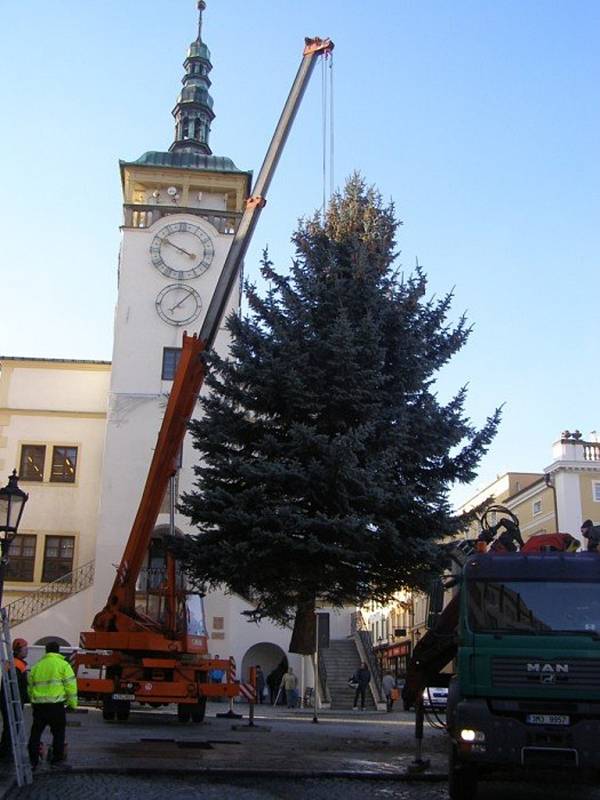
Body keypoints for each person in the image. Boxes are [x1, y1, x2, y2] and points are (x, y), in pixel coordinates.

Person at [28, 641, 78, 769]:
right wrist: (73, 704)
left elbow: (30, 687)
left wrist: (33, 701)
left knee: (36, 733)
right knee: (58, 733)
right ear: (58, 651)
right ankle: (57, 760)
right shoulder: (63, 665)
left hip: (39, 706)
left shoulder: (37, 666)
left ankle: (33, 760)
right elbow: (71, 686)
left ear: (46, 651)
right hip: (56, 706)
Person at [0, 638, 29, 759]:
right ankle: (6, 752)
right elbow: (18, 686)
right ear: (18, 650)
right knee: (11, 727)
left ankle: (5, 750)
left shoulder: (13, 663)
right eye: (25, 649)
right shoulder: (17, 665)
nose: (27, 651)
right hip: (12, 701)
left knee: (9, 727)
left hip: (8, 700)